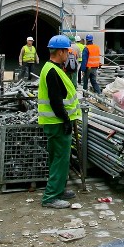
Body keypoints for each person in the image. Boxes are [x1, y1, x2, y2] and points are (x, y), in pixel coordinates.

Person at [38, 35, 81, 209]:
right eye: (68, 51)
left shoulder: (52, 68)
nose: (69, 55)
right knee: (60, 159)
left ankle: (58, 189)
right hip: (56, 122)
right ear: (61, 51)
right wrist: (65, 120)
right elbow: (56, 101)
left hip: (54, 121)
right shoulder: (52, 71)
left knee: (60, 158)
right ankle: (51, 197)